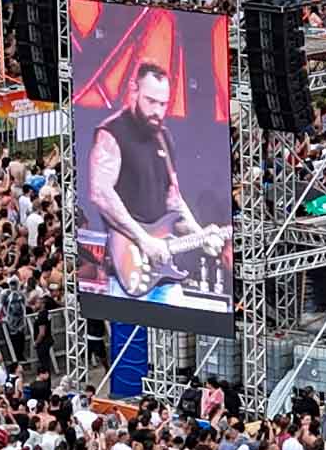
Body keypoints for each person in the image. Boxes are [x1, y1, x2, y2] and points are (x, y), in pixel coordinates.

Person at [80, 60, 224, 305]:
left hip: (163, 270)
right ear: (134, 91)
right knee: (128, 340)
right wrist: (144, 239)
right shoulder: (112, 132)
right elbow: (101, 193)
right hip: (129, 267)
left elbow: (174, 201)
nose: (157, 110)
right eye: (151, 101)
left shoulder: (163, 137)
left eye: (163, 104)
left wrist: (200, 235)